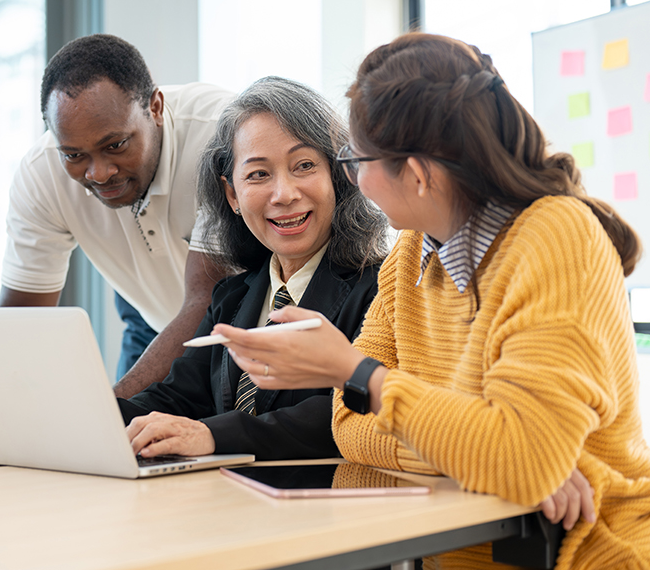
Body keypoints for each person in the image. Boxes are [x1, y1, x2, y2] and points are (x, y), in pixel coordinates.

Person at [218, 34, 650, 568]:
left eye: (355, 159)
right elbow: (348, 427)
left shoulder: (556, 239)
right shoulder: (409, 256)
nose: (352, 177)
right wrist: (479, 456)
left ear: (418, 174)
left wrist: (359, 374)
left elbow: (518, 459)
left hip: (581, 554)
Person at [121, 76, 388, 460]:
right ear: (232, 194)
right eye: (259, 174)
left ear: (337, 175)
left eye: (304, 165)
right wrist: (93, 419)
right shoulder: (233, 295)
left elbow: (345, 412)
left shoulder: (380, 287)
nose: (284, 194)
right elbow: (178, 395)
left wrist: (212, 436)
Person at [0, 34, 235, 398]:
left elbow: (207, 299)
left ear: (155, 107)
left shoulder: (220, 134)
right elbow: (20, 322)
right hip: (151, 317)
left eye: (115, 145)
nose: (98, 173)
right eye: (74, 155)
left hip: (233, 328)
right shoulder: (41, 173)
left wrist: (103, 414)